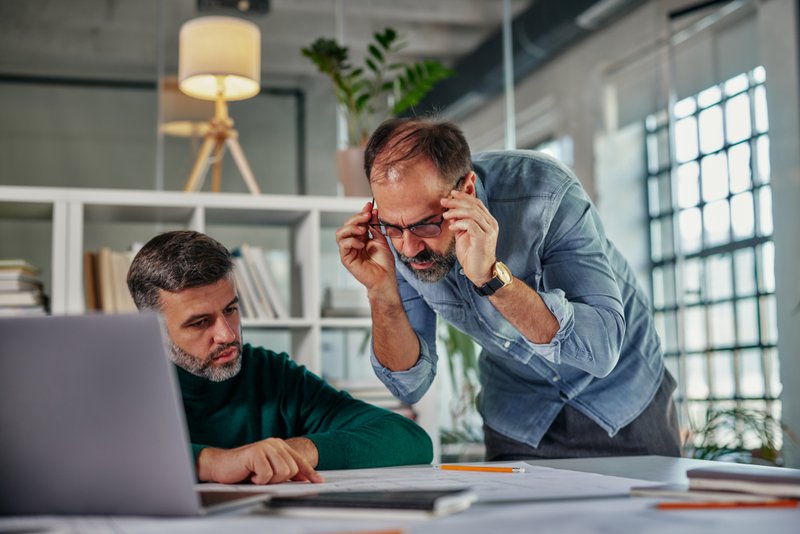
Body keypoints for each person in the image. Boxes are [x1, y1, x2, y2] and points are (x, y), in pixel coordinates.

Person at [335, 117, 682, 460]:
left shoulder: (545, 195)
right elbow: (409, 385)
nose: (408, 248)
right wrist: (381, 293)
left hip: (623, 400)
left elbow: (601, 350)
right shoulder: (398, 243)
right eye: (393, 226)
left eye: (425, 224)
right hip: (519, 416)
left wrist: (491, 277)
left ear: (466, 192)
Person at [126, 230, 432, 485]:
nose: (228, 335)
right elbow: (86, 458)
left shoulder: (272, 375)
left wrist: (297, 450)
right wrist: (213, 462)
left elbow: (410, 438)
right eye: (200, 322)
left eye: (230, 310)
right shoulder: (123, 383)